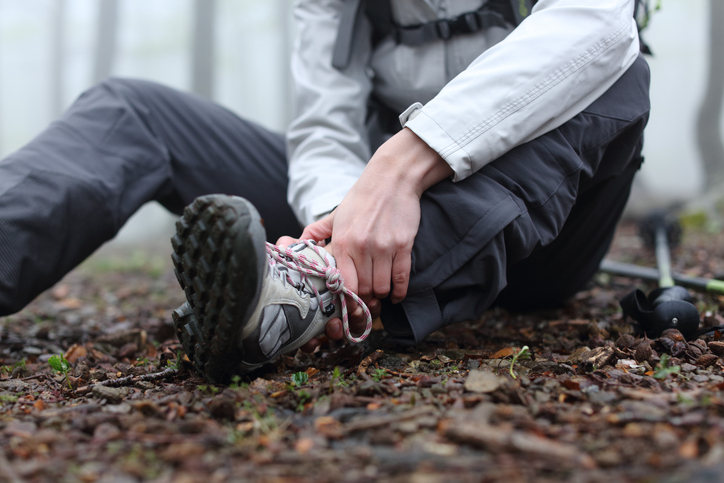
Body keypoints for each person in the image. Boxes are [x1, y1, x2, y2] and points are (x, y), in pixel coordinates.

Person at [0, 0, 650, 382]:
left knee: (621, 74)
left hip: (550, 236)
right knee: (132, 111)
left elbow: (597, 26)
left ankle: (311, 288)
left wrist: (407, 161)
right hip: (376, 219)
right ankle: (310, 275)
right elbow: (323, 122)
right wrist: (340, 213)